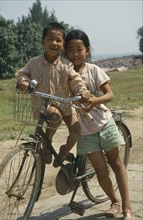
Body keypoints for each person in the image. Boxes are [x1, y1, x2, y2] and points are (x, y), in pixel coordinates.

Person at [65, 29, 135, 220]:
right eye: (70, 50)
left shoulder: (93, 69)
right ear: (65, 53)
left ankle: (128, 208)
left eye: (79, 49)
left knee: (116, 163)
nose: (75, 54)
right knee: (100, 170)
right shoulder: (64, 73)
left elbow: (110, 95)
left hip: (104, 123)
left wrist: (95, 101)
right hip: (85, 131)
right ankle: (115, 202)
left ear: (87, 50)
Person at [15, 22, 90, 165]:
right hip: (43, 105)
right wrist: (24, 81)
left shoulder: (66, 65)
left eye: (58, 40)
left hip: (65, 105)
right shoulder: (33, 62)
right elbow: (22, 73)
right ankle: (47, 145)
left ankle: (63, 152)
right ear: (42, 41)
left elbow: (76, 81)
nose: (54, 43)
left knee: (76, 129)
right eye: (50, 39)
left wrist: (83, 92)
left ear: (63, 44)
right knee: (54, 115)